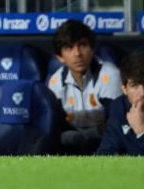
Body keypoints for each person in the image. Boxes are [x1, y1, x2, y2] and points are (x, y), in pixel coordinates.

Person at [47, 20, 122, 152]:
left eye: (82, 45)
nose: (77, 54)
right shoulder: (55, 82)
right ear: (60, 57)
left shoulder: (111, 75)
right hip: (69, 146)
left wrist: (85, 136)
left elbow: (117, 123)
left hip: (107, 142)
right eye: (69, 48)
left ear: (92, 49)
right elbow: (54, 126)